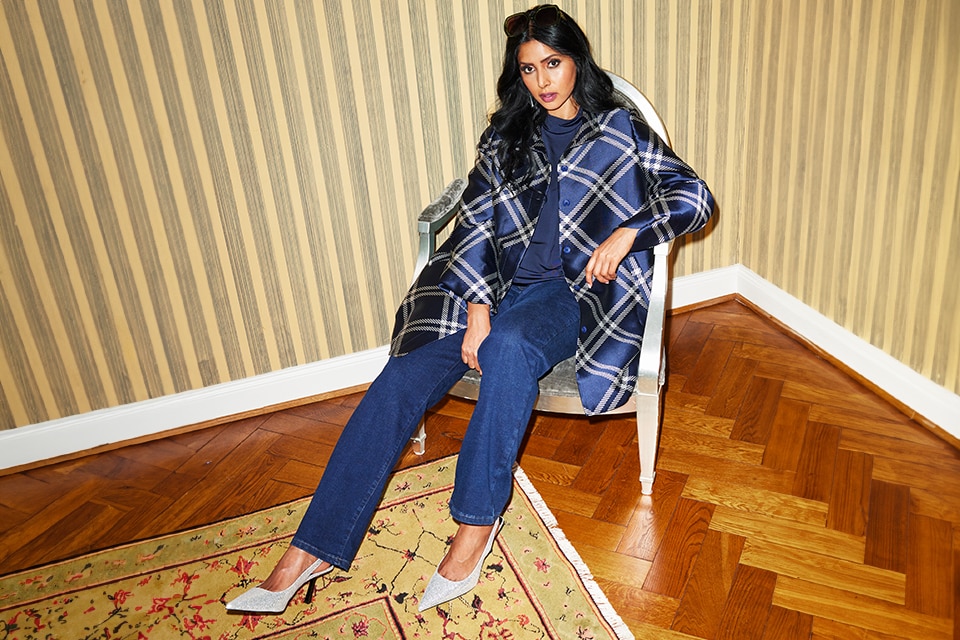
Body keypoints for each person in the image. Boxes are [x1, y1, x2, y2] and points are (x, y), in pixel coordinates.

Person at [225, 3, 714, 614]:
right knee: (403, 375)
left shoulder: (618, 129)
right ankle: (312, 548)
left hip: (568, 295)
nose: (543, 81)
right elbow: (479, 222)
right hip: (491, 288)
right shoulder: (505, 136)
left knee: (510, 349)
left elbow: (694, 196)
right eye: (530, 70)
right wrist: (478, 309)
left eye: (553, 63)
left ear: (577, 60)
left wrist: (628, 233)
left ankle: (474, 527)